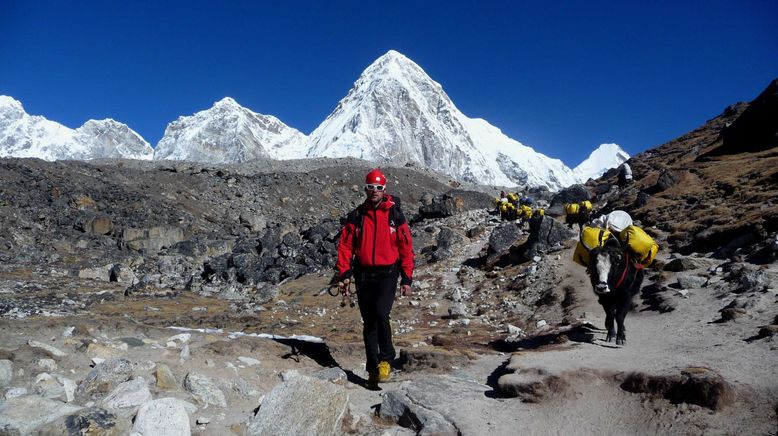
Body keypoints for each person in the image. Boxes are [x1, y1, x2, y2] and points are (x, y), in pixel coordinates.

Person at [336, 169, 414, 388]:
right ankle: (372, 369)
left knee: (381, 314)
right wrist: (344, 273)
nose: (374, 192)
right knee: (369, 322)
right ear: (365, 189)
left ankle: (386, 359)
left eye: (378, 188)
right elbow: (345, 247)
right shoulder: (357, 215)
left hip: (387, 274)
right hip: (363, 274)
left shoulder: (395, 215)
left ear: (384, 189)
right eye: (371, 187)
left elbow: (406, 248)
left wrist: (406, 278)